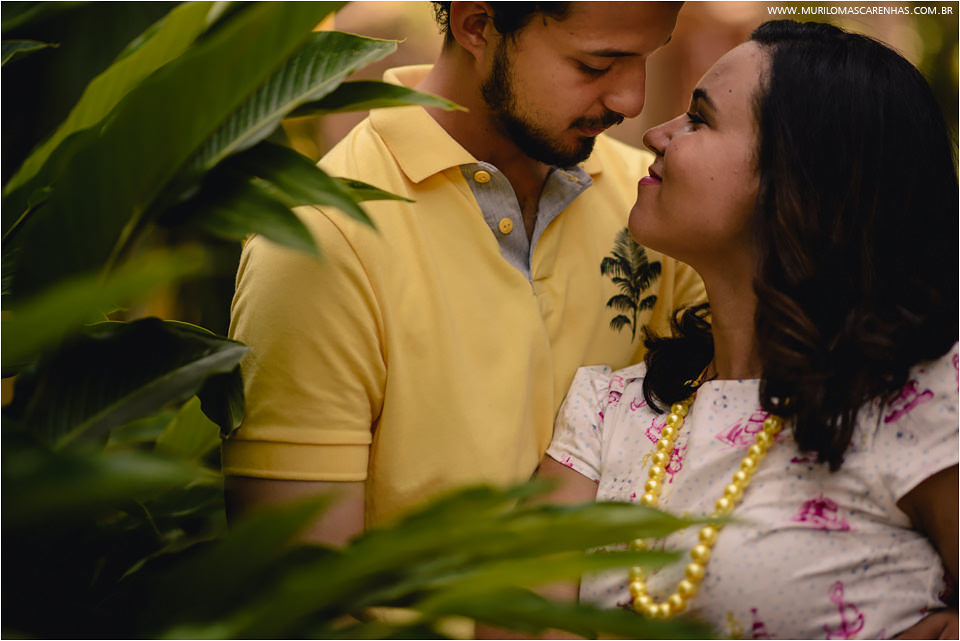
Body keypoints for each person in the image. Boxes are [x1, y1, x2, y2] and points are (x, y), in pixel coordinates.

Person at [223, 1, 704, 543]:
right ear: (476, 24)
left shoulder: (659, 211)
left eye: (647, 57)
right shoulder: (321, 240)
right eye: (595, 65)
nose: (632, 100)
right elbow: (300, 601)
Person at [540, 19, 958, 639]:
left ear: (801, 179)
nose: (655, 132)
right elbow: (514, 623)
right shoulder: (607, 410)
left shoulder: (922, 401)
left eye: (699, 119)